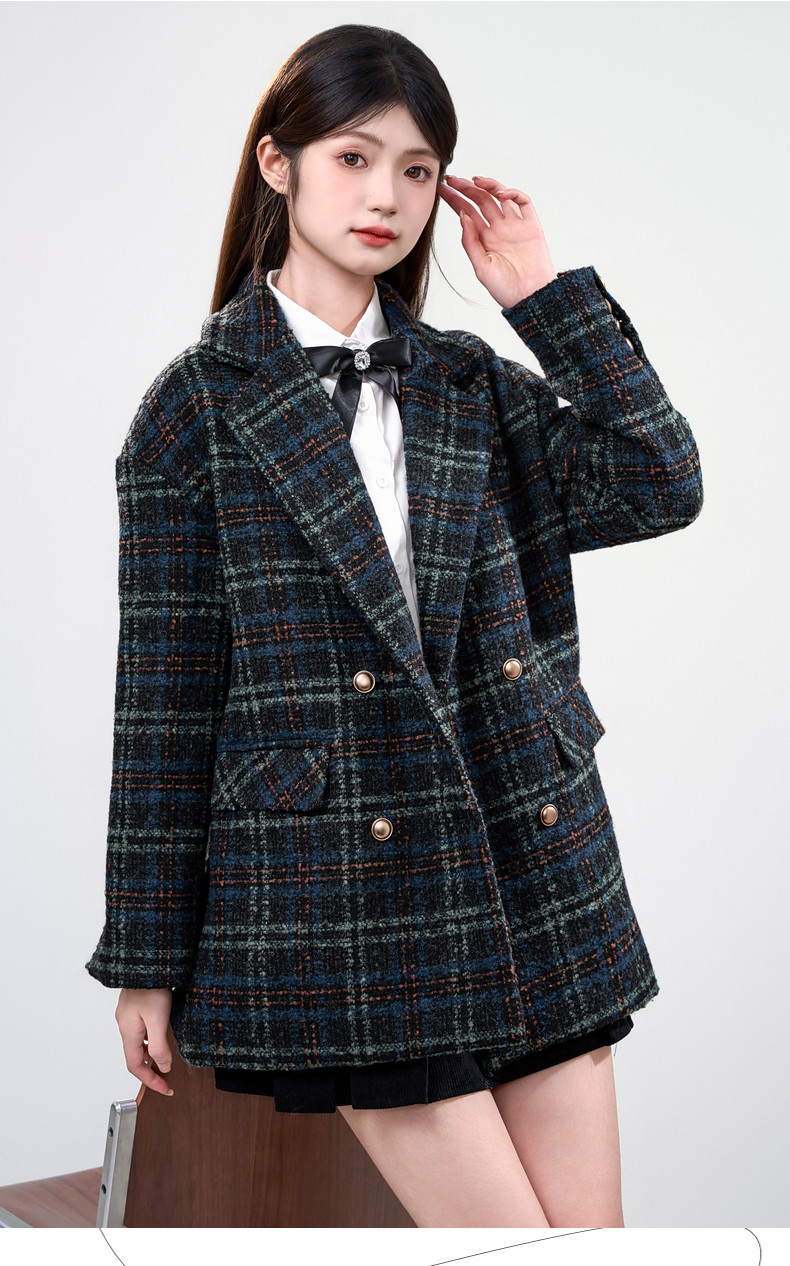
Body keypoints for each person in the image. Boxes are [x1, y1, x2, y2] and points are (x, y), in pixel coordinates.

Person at [85, 23, 703, 1229]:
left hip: (530, 856)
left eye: (417, 169)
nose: (387, 197)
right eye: (354, 158)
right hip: (345, 894)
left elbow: (657, 481)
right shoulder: (193, 412)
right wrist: (144, 959)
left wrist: (542, 296)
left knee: (594, 1251)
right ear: (278, 164)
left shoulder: (470, 382)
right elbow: (163, 703)